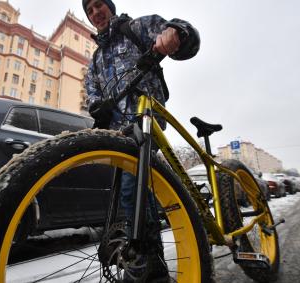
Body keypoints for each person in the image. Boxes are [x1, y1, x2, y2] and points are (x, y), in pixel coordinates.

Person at [83, 0, 200, 281]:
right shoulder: (96, 59)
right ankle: (146, 257)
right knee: (129, 190)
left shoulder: (134, 27)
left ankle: (152, 268)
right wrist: (97, 105)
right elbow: (92, 92)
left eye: (99, 5)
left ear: (109, 7)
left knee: (131, 187)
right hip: (117, 131)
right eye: (89, 10)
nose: (95, 13)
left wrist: (175, 33)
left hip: (144, 115)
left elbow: (180, 31)